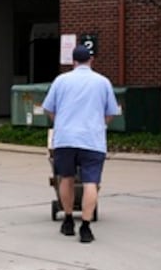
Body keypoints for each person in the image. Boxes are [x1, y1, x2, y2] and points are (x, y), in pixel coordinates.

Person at [42, 44, 120, 243]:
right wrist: (99, 124)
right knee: (90, 182)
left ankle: (68, 220)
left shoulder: (61, 81)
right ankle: (85, 227)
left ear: (73, 61)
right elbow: (111, 112)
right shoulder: (102, 82)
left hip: (65, 139)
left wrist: (59, 121)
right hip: (92, 140)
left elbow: (48, 108)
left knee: (66, 178)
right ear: (91, 60)